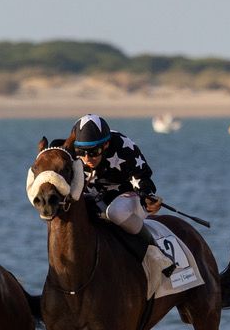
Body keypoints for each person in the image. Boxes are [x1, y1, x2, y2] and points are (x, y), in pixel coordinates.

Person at [67, 113, 175, 272]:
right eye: (81, 152)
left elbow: (142, 177)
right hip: (93, 198)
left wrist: (146, 196)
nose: (87, 158)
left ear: (106, 145)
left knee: (116, 212)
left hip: (126, 197)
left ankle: (157, 255)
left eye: (94, 151)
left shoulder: (124, 146)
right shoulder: (70, 152)